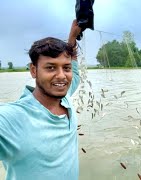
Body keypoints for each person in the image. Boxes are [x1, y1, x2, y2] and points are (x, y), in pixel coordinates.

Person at [0, 20, 82, 179]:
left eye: (66, 68)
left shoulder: (64, 96)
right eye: (50, 67)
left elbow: (75, 75)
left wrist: (72, 38)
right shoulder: (12, 119)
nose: (61, 76)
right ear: (33, 70)